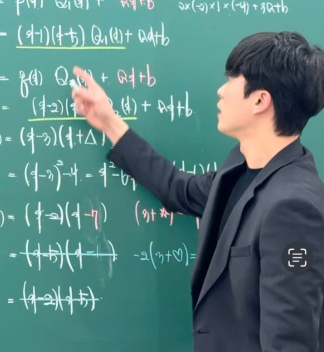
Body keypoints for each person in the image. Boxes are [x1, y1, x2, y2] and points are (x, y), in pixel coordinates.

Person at [71, 31, 324, 351]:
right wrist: (109, 122)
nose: (221, 91)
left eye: (231, 80)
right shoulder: (241, 169)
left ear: (260, 100)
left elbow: (290, 342)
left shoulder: (293, 208)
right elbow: (179, 189)